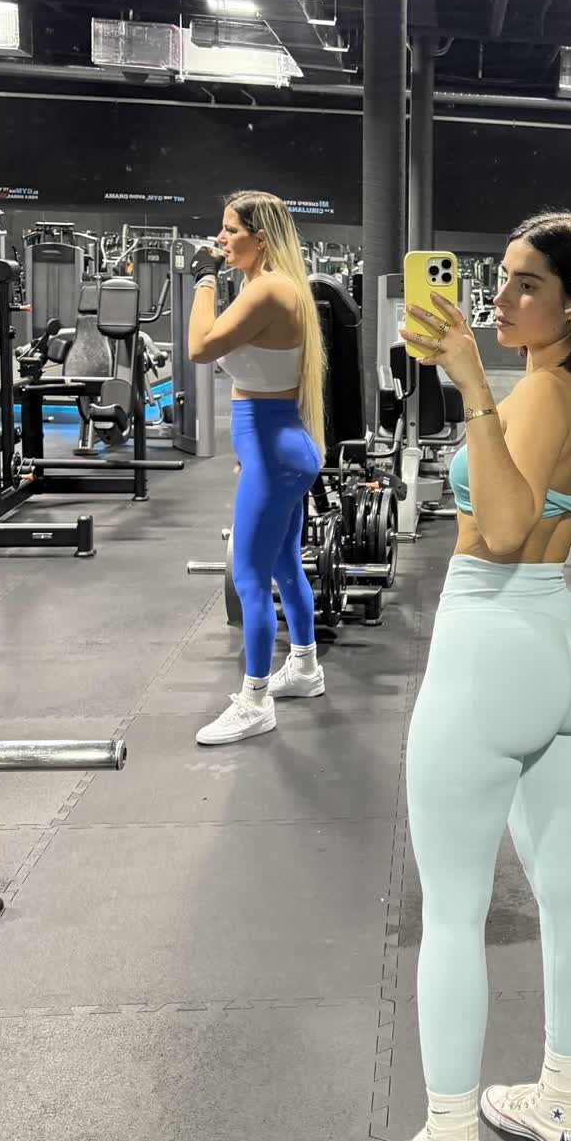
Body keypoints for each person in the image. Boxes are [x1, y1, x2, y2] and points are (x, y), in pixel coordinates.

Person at [366, 211, 571, 1141]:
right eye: (501, 278)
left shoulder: (540, 392)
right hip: (560, 641)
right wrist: (472, 384)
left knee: (452, 910)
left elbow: (507, 528)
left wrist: (472, 379)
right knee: (563, 884)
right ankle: (559, 1096)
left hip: (494, 641)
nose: (501, 299)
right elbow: (525, 498)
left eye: (527, 284)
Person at [187, 190, 327, 747]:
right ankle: (305, 667)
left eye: (230, 230)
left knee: (248, 574)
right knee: (285, 562)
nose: (220, 239)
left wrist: (202, 279)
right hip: (277, 448)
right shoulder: (267, 285)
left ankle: (254, 701)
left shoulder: (270, 290)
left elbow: (199, 347)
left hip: (275, 454)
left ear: (260, 238)